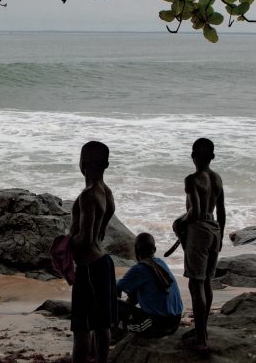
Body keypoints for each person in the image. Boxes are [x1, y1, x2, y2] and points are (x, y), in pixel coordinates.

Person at [175, 138, 225, 350]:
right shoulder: (217, 178)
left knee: (196, 284)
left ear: (193, 155)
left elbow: (194, 212)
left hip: (199, 229)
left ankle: (201, 339)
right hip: (214, 228)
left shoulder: (192, 179)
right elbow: (221, 211)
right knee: (207, 282)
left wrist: (179, 223)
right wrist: (220, 235)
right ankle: (202, 330)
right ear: (212, 157)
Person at [69, 141, 116, 363]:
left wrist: (65, 244)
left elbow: (86, 239)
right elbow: (100, 235)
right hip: (104, 263)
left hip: (88, 268)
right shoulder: (106, 193)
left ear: (83, 163)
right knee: (101, 325)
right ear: (106, 164)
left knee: (82, 328)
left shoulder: (88, 195)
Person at [116, 233, 183, 338]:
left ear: (136, 251)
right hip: (176, 320)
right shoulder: (161, 263)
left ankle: (119, 331)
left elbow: (115, 288)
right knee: (137, 289)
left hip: (159, 325)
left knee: (113, 303)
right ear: (155, 250)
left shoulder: (139, 269)